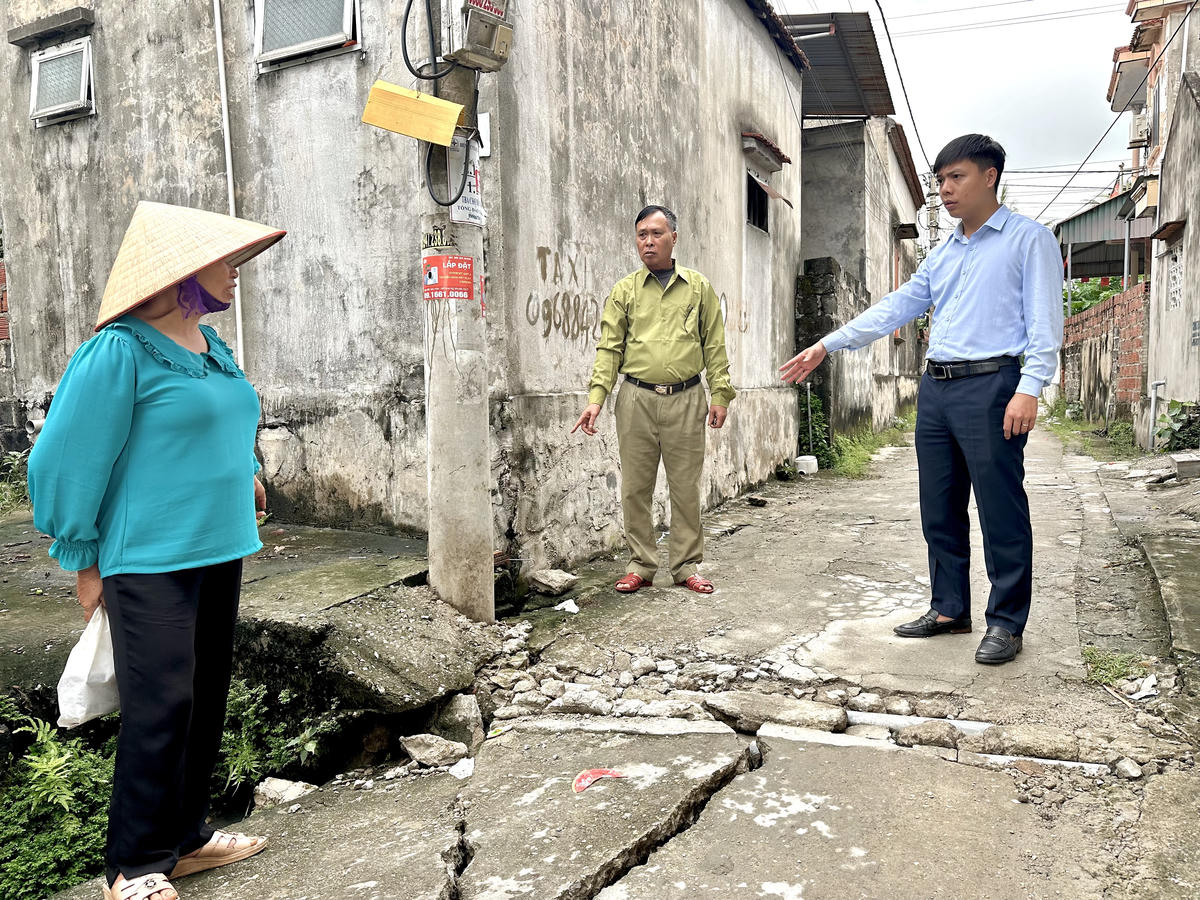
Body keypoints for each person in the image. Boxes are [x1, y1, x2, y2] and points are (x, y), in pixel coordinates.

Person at [28, 201, 286, 900]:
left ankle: (186, 839)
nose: (235, 271)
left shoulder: (209, 344)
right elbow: (65, 460)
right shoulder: (119, 350)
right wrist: (84, 559)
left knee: (203, 696)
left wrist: (247, 474)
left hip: (218, 547)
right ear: (180, 274)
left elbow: (220, 419)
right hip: (147, 558)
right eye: (222, 261)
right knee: (162, 703)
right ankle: (133, 864)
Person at [779, 134, 1064, 665]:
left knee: (1000, 508)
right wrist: (827, 344)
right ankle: (950, 608)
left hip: (992, 385)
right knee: (939, 506)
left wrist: (1030, 388)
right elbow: (897, 306)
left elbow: (1045, 321)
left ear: (989, 177)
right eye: (940, 180)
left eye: (956, 177)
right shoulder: (944, 253)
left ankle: (1006, 621)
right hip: (936, 389)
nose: (945, 190)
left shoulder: (1029, 240)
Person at [572, 205, 735, 594]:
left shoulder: (698, 287)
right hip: (636, 400)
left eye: (656, 234)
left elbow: (714, 344)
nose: (648, 241)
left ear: (673, 238)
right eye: (642, 234)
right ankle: (641, 565)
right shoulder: (625, 290)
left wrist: (720, 394)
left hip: (686, 398)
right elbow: (609, 348)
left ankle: (686, 566)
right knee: (635, 489)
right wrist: (596, 398)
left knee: (685, 488)